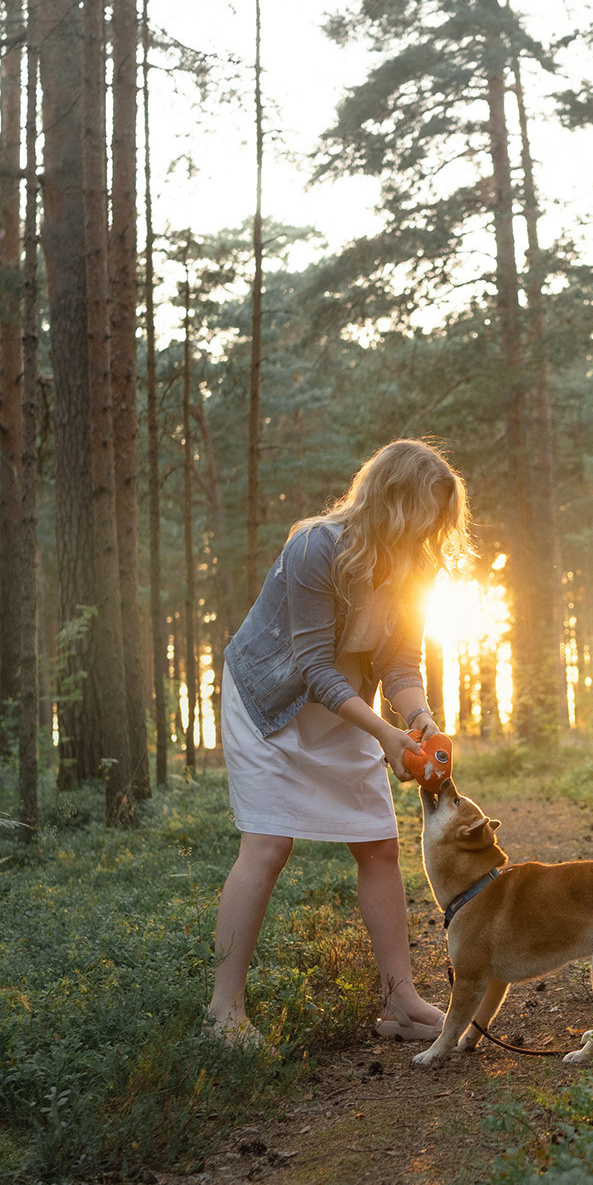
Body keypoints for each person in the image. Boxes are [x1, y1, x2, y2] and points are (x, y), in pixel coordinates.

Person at [206, 439, 468, 1044]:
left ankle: (400, 999)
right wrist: (384, 734)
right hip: (272, 698)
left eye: (440, 521)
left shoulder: (414, 562)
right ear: (391, 501)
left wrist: (419, 717)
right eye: (424, 514)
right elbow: (312, 665)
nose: (431, 532)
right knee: (268, 845)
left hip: (344, 703)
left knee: (378, 845)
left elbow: (401, 662)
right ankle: (223, 1012)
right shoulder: (316, 545)